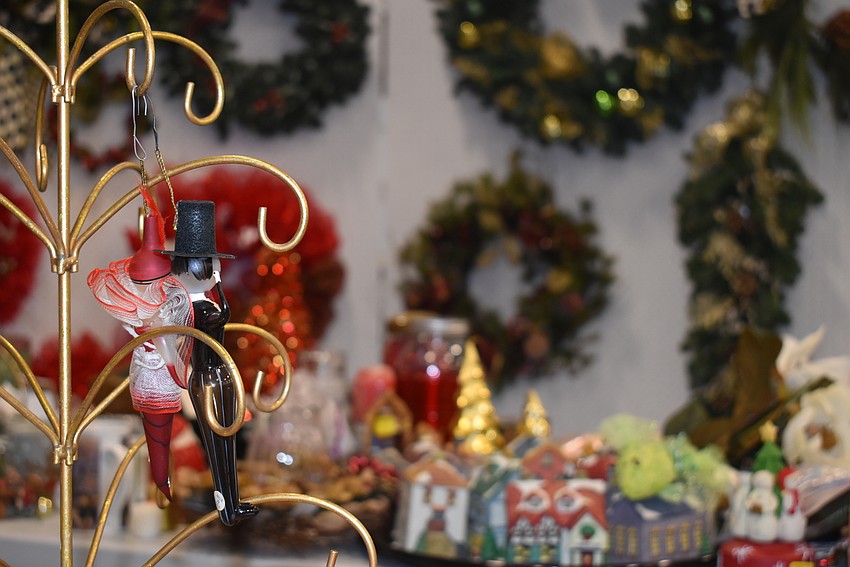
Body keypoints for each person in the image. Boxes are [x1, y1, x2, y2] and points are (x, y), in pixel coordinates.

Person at [158, 200, 258, 526]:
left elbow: (224, 315)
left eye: (213, 264)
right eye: (206, 265)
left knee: (228, 442)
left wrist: (219, 287)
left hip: (224, 376)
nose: (212, 270)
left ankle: (234, 502)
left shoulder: (210, 299)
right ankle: (224, 505)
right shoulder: (186, 307)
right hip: (204, 379)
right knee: (215, 445)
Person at [87, 204, 192, 502]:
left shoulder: (168, 310)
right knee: (156, 430)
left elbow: (174, 350)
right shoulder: (138, 313)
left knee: (160, 432)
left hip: (160, 378)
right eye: (143, 286)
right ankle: (161, 479)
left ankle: (162, 479)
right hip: (149, 375)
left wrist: (174, 365)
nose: (148, 293)